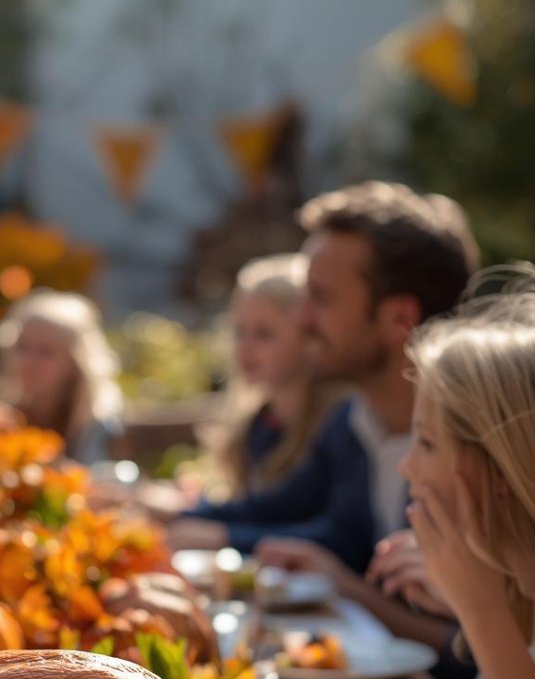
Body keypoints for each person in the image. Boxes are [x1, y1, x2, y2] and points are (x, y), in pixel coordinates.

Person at [172, 181, 478, 573]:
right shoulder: (355, 420)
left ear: (400, 319)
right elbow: (338, 533)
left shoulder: (476, 450)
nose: (302, 320)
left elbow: (460, 626)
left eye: (320, 298)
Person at [396, 291, 535, 679]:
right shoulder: (519, 594)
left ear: (500, 468)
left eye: (427, 443)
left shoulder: (497, 605)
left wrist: (480, 609)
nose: (407, 467)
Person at [196, 253, 342, 500]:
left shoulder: (333, 427)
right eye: (239, 331)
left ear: (309, 337)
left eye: (264, 334)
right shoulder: (256, 424)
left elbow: (283, 511)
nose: (244, 347)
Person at [0, 289, 126, 464]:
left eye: (46, 352)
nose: (29, 362)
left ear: (75, 362)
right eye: (23, 347)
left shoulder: (98, 427)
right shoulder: (1, 412)